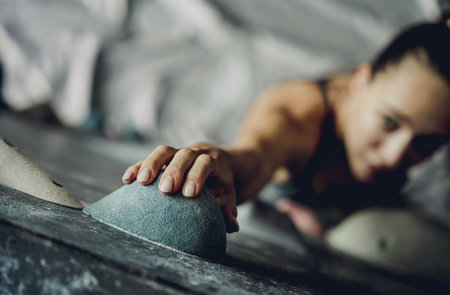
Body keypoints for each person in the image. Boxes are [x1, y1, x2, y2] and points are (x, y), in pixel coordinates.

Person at [121, 15, 450, 236]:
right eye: (390, 121)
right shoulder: (297, 118)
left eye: (428, 144)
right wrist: (218, 162)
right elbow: (256, 155)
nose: (394, 157)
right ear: (361, 80)